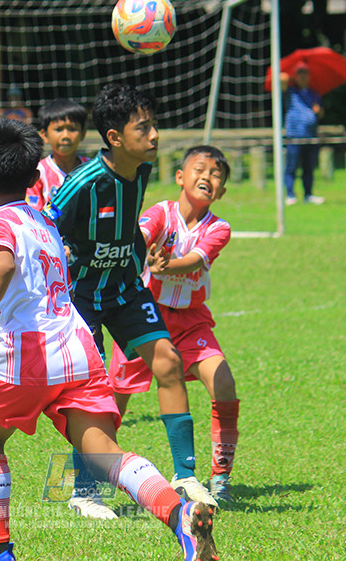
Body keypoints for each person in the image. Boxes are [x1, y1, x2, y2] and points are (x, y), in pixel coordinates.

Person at [0, 116, 218, 561]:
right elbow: (30, 271)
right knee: (104, 452)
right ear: (34, 178)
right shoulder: (43, 220)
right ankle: (179, 514)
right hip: (79, 350)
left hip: (29, 354)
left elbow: (5, 265)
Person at [44, 83, 218, 518]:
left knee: (168, 362)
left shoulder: (140, 170)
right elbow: (42, 225)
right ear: (115, 137)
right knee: (94, 392)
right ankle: (84, 492)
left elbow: (126, 227)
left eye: (154, 125)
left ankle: (185, 477)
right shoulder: (83, 182)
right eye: (143, 128)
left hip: (125, 288)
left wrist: (140, 253)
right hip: (81, 296)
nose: (154, 134)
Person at [109, 145, 240, 505]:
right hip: (144, 316)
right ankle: (89, 478)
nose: (207, 177)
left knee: (223, 383)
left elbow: (196, 260)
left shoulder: (219, 228)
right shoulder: (160, 213)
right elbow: (139, 236)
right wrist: (142, 253)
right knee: (114, 399)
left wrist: (166, 265)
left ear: (222, 191)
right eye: (200, 169)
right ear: (180, 177)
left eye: (216, 174)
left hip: (190, 322)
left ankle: (219, 478)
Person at [25, 98, 89, 211]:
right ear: (45, 135)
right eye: (59, 130)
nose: (66, 136)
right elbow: (34, 213)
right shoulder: (39, 172)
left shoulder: (91, 169)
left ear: (83, 133)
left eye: (72, 129)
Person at [283, 62, 326, 206]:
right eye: (300, 73)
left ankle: (308, 195)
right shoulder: (290, 91)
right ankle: (290, 195)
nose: (303, 76)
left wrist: (318, 111)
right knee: (291, 167)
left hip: (311, 136)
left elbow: (321, 114)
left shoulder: (314, 93)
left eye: (305, 73)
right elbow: (281, 79)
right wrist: (290, 76)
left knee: (309, 168)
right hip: (294, 135)